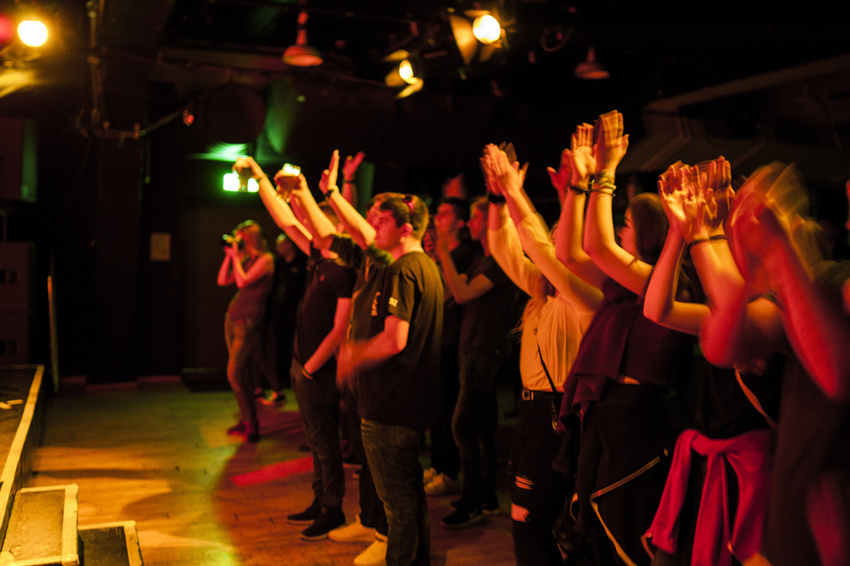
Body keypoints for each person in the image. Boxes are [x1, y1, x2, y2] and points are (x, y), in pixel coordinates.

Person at [556, 113, 693, 566]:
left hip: (634, 421)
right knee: (602, 535)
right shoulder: (626, 288)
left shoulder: (664, 283)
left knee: (626, 535)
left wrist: (605, 172)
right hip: (611, 415)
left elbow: (594, 247)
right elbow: (571, 252)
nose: (619, 232)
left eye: (627, 227)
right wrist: (578, 186)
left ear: (650, 235)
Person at [697, 162, 850, 566]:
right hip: (786, 545)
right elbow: (721, 346)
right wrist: (703, 233)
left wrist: (777, 248)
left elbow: (837, 375)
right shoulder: (810, 294)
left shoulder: (833, 287)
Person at [641, 159, 778, 565]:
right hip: (704, 460)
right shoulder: (727, 307)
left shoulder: (771, 313)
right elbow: (657, 310)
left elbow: (735, 325)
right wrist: (679, 233)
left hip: (747, 472)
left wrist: (703, 232)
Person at [481, 143, 601, 564]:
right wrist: (499, 195)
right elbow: (505, 247)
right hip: (533, 415)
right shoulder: (544, 292)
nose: (551, 245)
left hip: (558, 417)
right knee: (539, 529)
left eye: (558, 243)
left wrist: (516, 192)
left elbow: (539, 249)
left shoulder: (583, 295)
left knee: (530, 529)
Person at [238, 156, 356, 541]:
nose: (304, 227)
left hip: (317, 368)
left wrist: (309, 368)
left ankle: (333, 509)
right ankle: (320, 500)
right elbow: (283, 219)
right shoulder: (319, 258)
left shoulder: (345, 267)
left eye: (314, 223)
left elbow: (340, 328)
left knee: (325, 442)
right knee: (317, 439)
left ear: (337, 229)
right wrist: (258, 176)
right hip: (303, 364)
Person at [289, 150, 396, 566]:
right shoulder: (359, 258)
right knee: (364, 453)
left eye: (378, 217)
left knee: (377, 458)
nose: (368, 221)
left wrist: (324, 191)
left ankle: (384, 532)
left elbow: (352, 233)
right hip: (357, 374)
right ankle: (368, 519)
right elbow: (335, 232)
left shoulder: (377, 263)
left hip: (374, 375)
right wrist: (330, 191)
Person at [337, 193, 443, 566]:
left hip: (390, 404)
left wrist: (354, 355)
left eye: (380, 221)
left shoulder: (402, 270)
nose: (373, 227)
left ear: (406, 228)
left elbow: (395, 339)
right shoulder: (427, 266)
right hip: (409, 404)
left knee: (397, 507)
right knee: (410, 499)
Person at [436, 194, 521, 528]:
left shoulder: (499, 261)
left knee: (461, 425)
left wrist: (443, 251)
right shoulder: (481, 260)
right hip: (470, 348)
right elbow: (450, 293)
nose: (469, 222)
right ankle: (485, 497)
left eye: (474, 217)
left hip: (483, 351)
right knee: (482, 428)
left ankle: (473, 500)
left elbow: (461, 294)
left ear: (489, 222)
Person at [422, 196, 476, 497]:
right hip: (435, 339)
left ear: (459, 222)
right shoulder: (440, 253)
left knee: (447, 408)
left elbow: (445, 295)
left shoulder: (464, 254)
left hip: (452, 340)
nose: (437, 218)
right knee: (434, 407)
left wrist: (439, 259)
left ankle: (450, 471)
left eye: (444, 214)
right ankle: (438, 464)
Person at [217, 219, 274, 443]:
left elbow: (242, 282)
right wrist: (229, 257)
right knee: (240, 372)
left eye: (240, 237)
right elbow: (222, 280)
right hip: (232, 319)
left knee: (233, 372)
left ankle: (251, 423)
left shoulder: (265, 260)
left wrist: (235, 259)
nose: (237, 241)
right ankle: (246, 419)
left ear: (249, 238)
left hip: (248, 322)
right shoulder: (246, 259)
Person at [257, 232, 307, 405]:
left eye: (280, 244)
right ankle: (280, 383)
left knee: (297, 346)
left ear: (289, 244)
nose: (278, 248)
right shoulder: (277, 265)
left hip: (296, 312)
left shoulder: (302, 262)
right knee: (277, 347)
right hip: (278, 313)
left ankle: (294, 383)